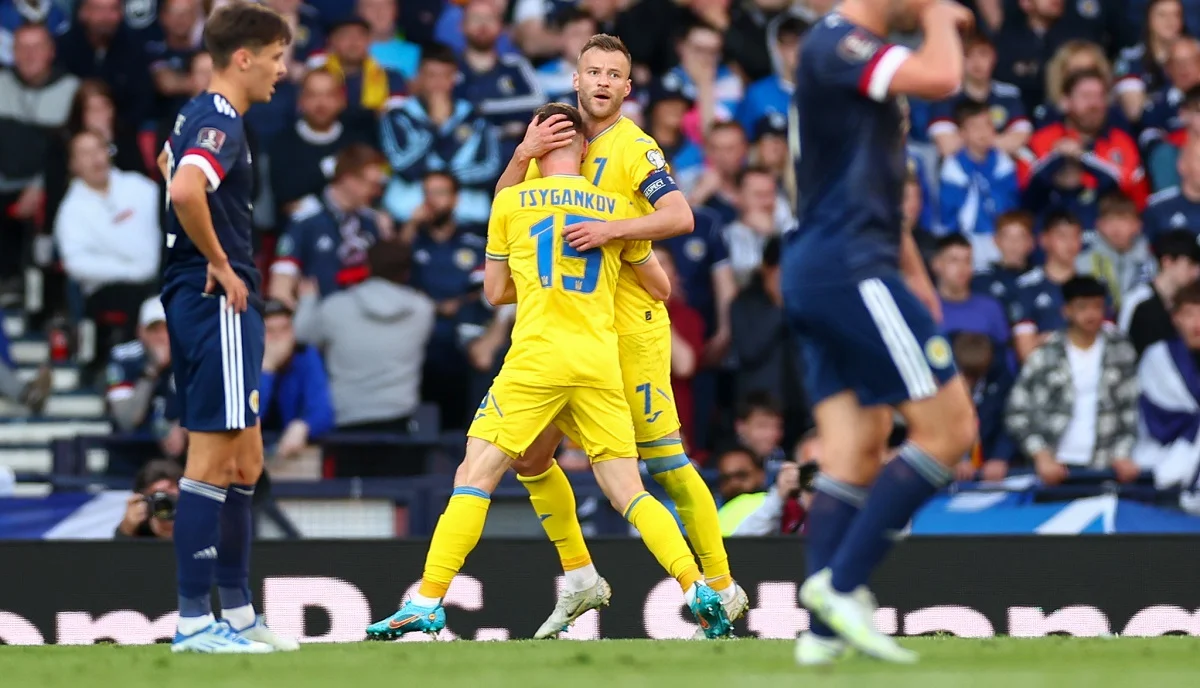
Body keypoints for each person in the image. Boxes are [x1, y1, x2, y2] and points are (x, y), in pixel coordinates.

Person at [365, 103, 733, 641]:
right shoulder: (612, 209)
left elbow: (493, 293)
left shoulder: (510, 203)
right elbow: (660, 287)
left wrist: (541, 278)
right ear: (585, 149)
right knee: (629, 491)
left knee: (474, 475)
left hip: (536, 359)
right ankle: (697, 587)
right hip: (599, 362)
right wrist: (610, 247)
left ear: (534, 147)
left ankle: (426, 599)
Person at [493, 33, 747, 636]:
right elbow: (504, 210)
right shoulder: (551, 138)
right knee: (530, 458)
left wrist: (613, 231)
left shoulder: (636, 147)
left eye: (614, 74)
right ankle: (580, 579)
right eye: (592, 71)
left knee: (664, 466)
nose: (602, 81)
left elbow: (680, 217)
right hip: (566, 328)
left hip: (629, 332)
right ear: (575, 79)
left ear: (628, 89)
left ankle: (721, 584)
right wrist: (519, 154)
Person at [786, 0, 978, 665]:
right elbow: (942, 80)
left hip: (830, 266)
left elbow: (864, 189)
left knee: (854, 448)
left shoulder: (838, 54)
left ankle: (820, 636)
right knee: (951, 431)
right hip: (848, 268)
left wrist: (917, 279)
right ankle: (841, 585)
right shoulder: (835, 43)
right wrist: (940, 18)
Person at [157, 1, 297, 654]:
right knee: (213, 459)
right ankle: (192, 622)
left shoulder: (199, 113)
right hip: (217, 296)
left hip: (203, 295)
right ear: (243, 58)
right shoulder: (220, 121)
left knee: (246, 460)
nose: (281, 70)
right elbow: (185, 188)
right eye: (275, 58)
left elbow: (167, 164)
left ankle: (238, 613)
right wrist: (218, 261)